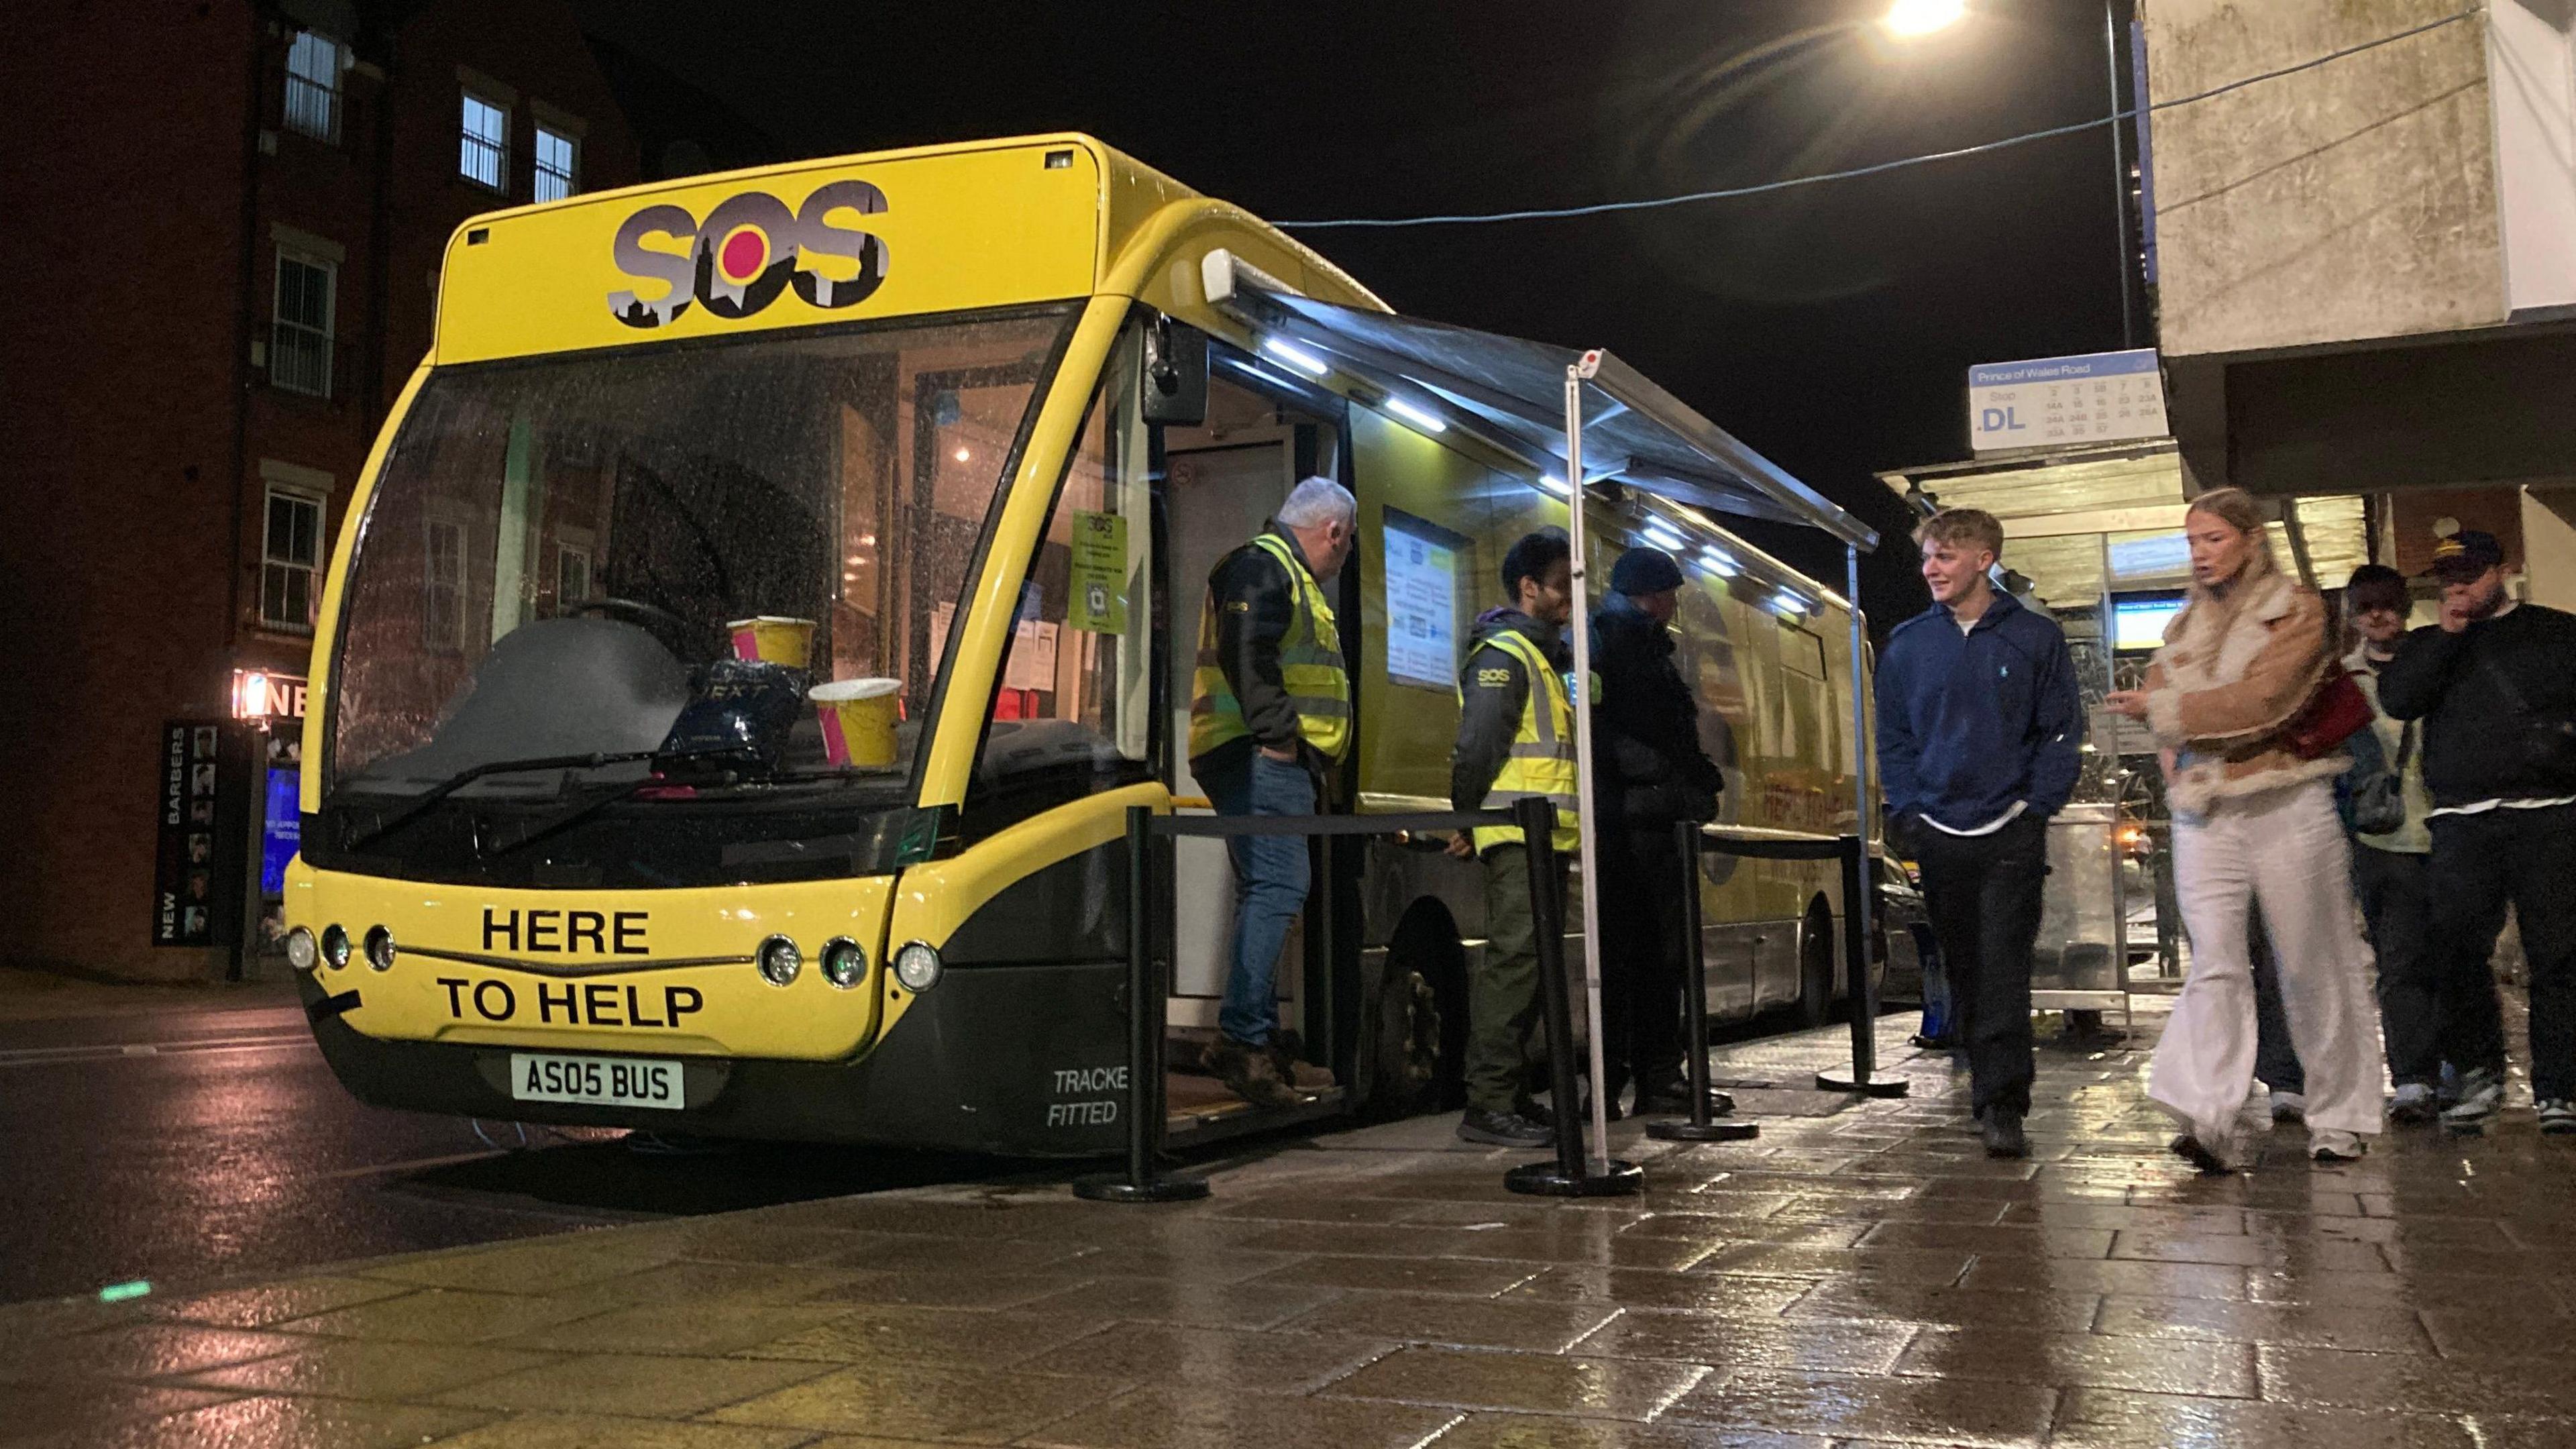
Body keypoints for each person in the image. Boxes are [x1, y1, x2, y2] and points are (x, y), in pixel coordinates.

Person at [2106, 487, 2381, 1169]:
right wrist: (2174, 763)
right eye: (2193, 541)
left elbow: (2266, 703)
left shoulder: (2301, 612)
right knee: (2216, 964)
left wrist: (2166, 711)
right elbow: (2180, 718)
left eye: (2214, 539)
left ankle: (2339, 1116)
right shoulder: (2180, 630)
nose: (2200, 554)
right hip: (2209, 810)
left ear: (2252, 539)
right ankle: (2209, 1118)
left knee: (2313, 959)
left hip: (2288, 801)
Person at [1876, 508, 2084, 1159]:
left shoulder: (2034, 638)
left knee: (2003, 967)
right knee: (1964, 965)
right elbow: (1895, 737)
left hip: (2010, 831)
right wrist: (1908, 808)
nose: (1929, 569)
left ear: (1984, 558)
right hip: (1937, 829)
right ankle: (1982, 1082)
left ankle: (2004, 1102)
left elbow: (2060, 729)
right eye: (1928, 557)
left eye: (1944, 556)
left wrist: (2038, 805)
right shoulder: (1907, 644)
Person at [2375, 530, 2576, 1134]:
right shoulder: (2429, 644)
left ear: (2504, 569)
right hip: (2463, 820)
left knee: (2560, 955)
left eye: (2471, 572)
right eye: (2448, 577)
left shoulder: (2557, 632)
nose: (2458, 585)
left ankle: (2560, 1089)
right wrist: (2449, 637)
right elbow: (2401, 700)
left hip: (2551, 812)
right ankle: (2478, 1073)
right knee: (2458, 950)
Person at [1187, 476, 1356, 1107]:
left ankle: (1257, 1037)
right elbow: (1248, 651)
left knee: (1266, 890)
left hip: (1260, 755)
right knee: (1281, 887)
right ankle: (1244, 1042)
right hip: (1259, 756)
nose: (1344, 558)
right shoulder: (1266, 565)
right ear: (1334, 532)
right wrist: (1280, 737)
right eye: (1347, 545)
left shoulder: (1277, 571)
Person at [1448, 529, 1578, 1146]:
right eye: (1560, 586)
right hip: (1519, 835)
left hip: (1544, 837)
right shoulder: (1505, 655)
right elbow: (1477, 748)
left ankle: (1511, 1093)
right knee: (1515, 966)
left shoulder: (1539, 656)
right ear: (1529, 588)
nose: (1568, 599)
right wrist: (1467, 820)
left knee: (1531, 969)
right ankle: (1490, 1101)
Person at [1589, 545, 1729, 1118]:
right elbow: (1630, 732)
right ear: (1650, 595)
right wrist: (1678, 780)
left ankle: (1625, 1079)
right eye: (1670, 593)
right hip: (1640, 820)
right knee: (1656, 953)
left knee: (1635, 954)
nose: (1674, 604)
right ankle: (1656, 1077)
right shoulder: (1625, 645)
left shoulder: (1616, 640)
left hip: (1636, 814)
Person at [2341, 563, 2442, 1123]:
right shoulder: (2342, 680)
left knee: (2453, 955)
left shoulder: (2436, 664)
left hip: (2445, 825)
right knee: (2399, 959)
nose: (2377, 615)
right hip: (2379, 835)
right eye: (2365, 605)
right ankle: (2412, 1077)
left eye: (2387, 603)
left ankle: (2460, 1063)